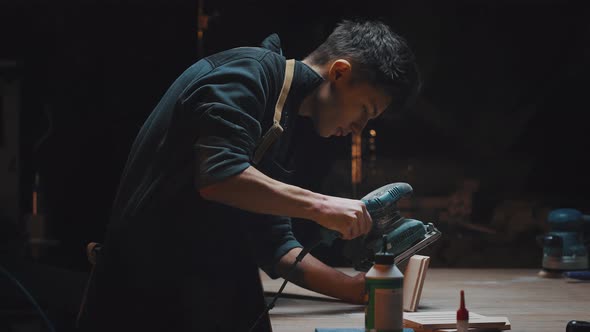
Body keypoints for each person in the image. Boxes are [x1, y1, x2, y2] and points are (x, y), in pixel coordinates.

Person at [81, 19, 420, 332]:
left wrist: (357, 288)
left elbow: (276, 245)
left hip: (199, 295)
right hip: (142, 298)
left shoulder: (283, 123)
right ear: (341, 73)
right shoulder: (245, 74)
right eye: (365, 110)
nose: (360, 128)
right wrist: (322, 205)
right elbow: (219, 174)